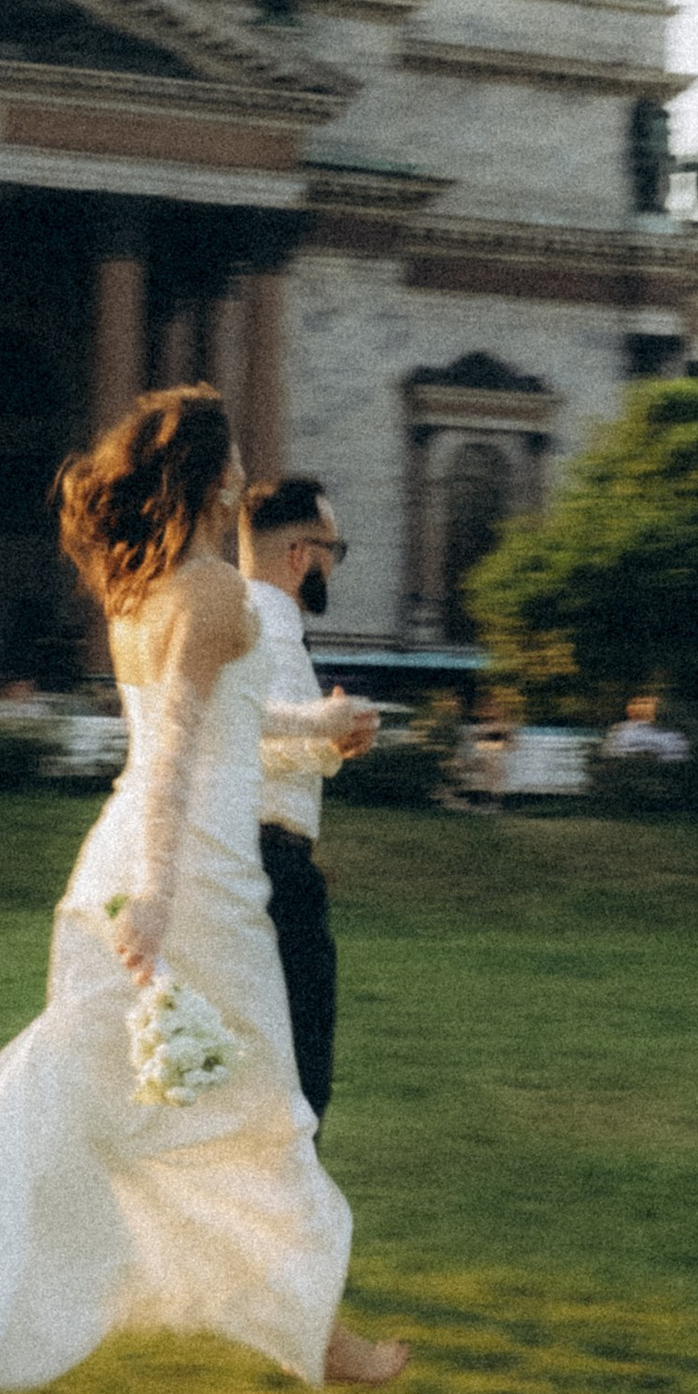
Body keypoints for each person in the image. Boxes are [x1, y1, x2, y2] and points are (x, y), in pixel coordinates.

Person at [0, 384, 408, 1394]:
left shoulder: (143, 595)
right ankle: (319, 1334)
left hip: (132, 865)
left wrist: (321, 723)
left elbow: (216, 728)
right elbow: (171, 760)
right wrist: (159, 895)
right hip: (189, 877)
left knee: (67, 1098)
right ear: (208, 481)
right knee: (258, 1108)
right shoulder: (211, 594)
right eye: (235, 462)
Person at [237, 477, 380, 1129]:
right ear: (301, 553)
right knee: (299, 1077)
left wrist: (331, 740)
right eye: (333, 549)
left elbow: (267, 743)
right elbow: (238, 724)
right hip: (273, 865)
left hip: (266, 858)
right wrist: (326, 724)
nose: (332, 564)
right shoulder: (261, 624)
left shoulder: (264, 624)